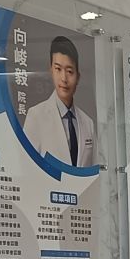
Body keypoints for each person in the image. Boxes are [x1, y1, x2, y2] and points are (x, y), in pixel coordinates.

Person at [23, 35, 96, 167]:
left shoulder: (88, 123)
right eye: (58, 69)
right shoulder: (35, 116)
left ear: (78, 77)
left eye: (69, 71)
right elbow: (26, 167)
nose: (64, 78)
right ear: (51, 71)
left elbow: (94, 170)